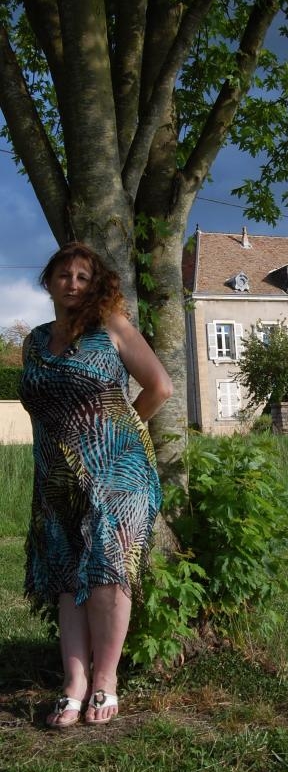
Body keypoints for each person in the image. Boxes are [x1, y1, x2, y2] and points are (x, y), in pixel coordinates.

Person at [19, 242, 173, 729]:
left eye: (82, 276)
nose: (72, 283)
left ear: (95, 284)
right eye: (64, 275)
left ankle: (106, 679)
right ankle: (74, 683)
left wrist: (123, 432)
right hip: (57, 477)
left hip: (118, 473)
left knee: (108, 570)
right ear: (49, 282)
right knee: (68, 577)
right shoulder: (35, 342)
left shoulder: (112, 328)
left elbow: (160, 386)